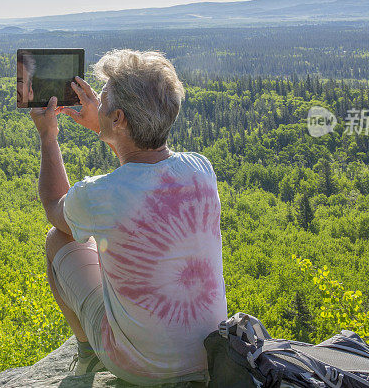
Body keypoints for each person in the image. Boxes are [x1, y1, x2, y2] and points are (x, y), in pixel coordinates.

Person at [30, 49, 227, 385]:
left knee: (58, 238)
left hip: (140, 369)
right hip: (209, 356)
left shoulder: (99, 196)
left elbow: (54, 206)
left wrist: (48, 136)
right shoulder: (200, 169)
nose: (97, 103)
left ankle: (89, 354)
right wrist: (105, 127)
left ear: (119, 117)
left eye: (102, 100)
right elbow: (140, 172)